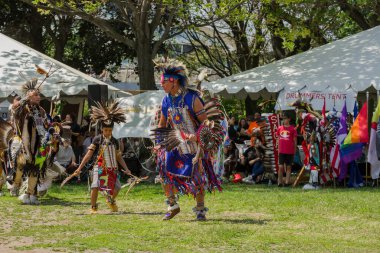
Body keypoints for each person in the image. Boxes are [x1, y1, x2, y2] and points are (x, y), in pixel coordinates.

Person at [152, 62, 225, 221]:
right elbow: (162, 124)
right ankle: (172, 205)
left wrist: (197, 136)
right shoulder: (166, 101)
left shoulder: (192, 98)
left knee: (197, 177)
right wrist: (158, 142)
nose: (161, 84)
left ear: (174, 81)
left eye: (164, 81)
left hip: (194, 144)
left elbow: (206, 123)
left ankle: (200, 210)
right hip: (175, 141)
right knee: (164, 169)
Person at [72, 101, 132, 214]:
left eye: (110, 130)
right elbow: (88, 154)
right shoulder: (97, 139)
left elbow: (118, 157)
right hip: (99, 167)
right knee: (95, 186)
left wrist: (126, 168)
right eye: (105, 130)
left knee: (117, 188)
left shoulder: (115, 141)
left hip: (112, 168)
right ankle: (93, 206)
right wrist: (79, 168)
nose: (108, 132)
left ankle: (110, 200)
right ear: (101, 130)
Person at [9, 79, 55, 204]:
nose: (38, 97)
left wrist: (52, 131)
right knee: (19, 165)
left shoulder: (41, 111)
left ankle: (30, 193)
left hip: (39, 144)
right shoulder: (23, 108)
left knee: (35, 169)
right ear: (29, 96)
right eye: (35, 95)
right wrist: (25, 100)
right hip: (23, 143)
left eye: (38, 95)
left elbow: (47, 124)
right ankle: (15, 183)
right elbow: (14, 110)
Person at [276, 113, 297, 187]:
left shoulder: (293, 129)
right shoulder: (279, 128)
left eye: (285, 118)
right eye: (283, 119)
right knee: (281, 167)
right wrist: (278, 148)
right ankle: (279, 181)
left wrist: (294, 150)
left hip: (290, 151)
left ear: (289, 119)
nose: (284, 120)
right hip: (281, 151)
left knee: (288, 167)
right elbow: (278, 139)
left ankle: (287, 182)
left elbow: (295, 141)